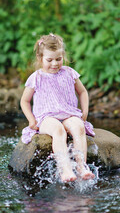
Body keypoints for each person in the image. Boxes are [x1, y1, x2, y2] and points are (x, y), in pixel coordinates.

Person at [20, 33, 95, 183]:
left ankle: (81, 166)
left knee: (79, 127)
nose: (54, 63)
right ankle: (65, 169)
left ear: (63, 56)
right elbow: (24, 101)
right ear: (40, 59)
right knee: (58, 131)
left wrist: (85, 111)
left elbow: (83, 92)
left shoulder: (69, 73)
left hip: (68, 113)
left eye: (58, 59)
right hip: (46, 117)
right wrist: (31, 120)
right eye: (49, 60)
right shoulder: (37, 77)